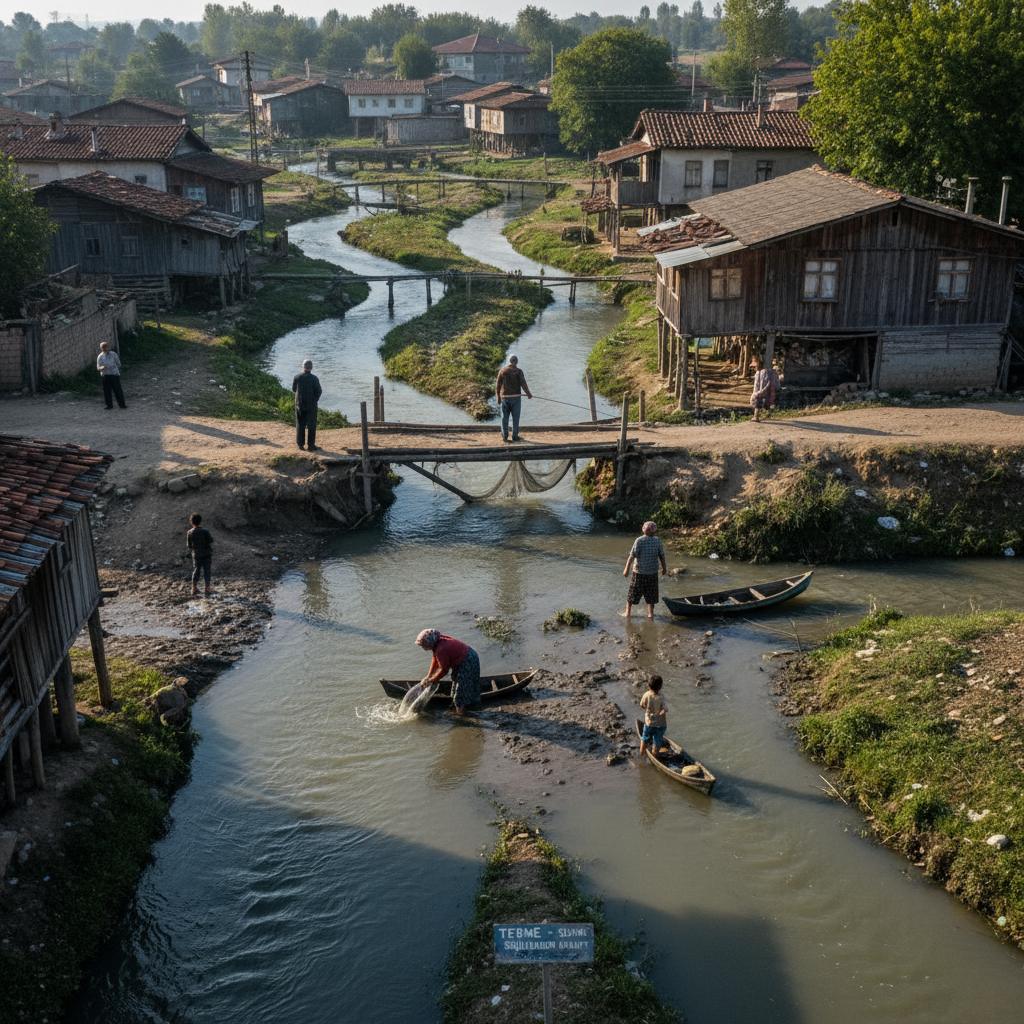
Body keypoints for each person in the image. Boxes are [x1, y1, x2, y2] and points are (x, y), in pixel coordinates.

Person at [414, 628, 481, 715]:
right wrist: (428, 676)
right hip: (463, 660)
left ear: (429, 643)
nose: (423, 648)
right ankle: (458, 706)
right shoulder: (437, 642)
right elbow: (435, 661)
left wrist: (431, 680)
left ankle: (461, 714)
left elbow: (444, 670)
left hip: (468, 661)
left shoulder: (441, 648)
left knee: (461, 688)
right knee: (456, 684)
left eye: (423, 645)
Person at [622, 520, 667, 618]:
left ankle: (627, 613)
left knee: (632, 593)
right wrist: (664, 568)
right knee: (651, 593)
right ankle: (650, 614)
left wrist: (626, 569)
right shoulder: (657, 540)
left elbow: (632, 556)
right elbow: (662, 556)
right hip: (652, 572)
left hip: (639, 572)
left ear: (643, 529)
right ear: (655, 531)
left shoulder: (639, 540)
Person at [495, 353, 532, 443]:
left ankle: (505, 436)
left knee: (504, 417)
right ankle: (515, 435)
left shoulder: (502, 371)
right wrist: (528, 394)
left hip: (505, 397)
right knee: (516, 417)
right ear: (517, 361)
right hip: (516, 397)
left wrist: (498, 397)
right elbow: (523, 384)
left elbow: (498, 386)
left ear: (509, 361)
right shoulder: (519, 371)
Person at [292, 359, 323, 450]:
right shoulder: (314, 378)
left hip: (299, 404)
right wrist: (315, 400)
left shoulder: (297, 377)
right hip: (311, 405)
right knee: (311, 425)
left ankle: (300, 444)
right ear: (311, 368)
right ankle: (311, 445)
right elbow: (319, 391)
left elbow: (294, 389)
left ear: (303, 367)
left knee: (300, 424)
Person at [639, 675, 668, 758]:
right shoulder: (661, 697)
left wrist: (647, 710)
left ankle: (642, 752)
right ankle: (655, 752)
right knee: (658, 739)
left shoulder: (646, 694)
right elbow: (665, 709)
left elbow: (641, 704)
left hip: (649, 723)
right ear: (661, 686)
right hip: (660, 724)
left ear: (649, 685)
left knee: (644, 738)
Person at [186, 512, 214, 597]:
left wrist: (193, 550)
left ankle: (193, 588)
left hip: (196, 554)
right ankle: (207, 588)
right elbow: (210, 540)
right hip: (206, 553)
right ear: (200, 521)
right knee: (207, 571)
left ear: (191, 522)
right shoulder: (205, 531)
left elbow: (189, 545)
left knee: (196, 570)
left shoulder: (189, 532)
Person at [96, 341, 127, 410]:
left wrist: (118, 370)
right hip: (106, 375)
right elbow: (98, 367)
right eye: (103, 348)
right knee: (107, 391)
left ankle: (121, 404)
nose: (104, 349)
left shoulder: (113, 354)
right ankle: (109, 405)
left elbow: (118, 363)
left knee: (118, 390)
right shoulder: (100, 356)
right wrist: (102, 368)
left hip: (114, 374)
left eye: (105, 347)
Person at [750, 356, 781, 422]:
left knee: (757, 398)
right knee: (767, 397)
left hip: (762, 386)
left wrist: (754, 394)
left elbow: (756, 387)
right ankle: (766, 413)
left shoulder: (759, 373)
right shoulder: (772, 372)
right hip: (769, 385)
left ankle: (756, 416)